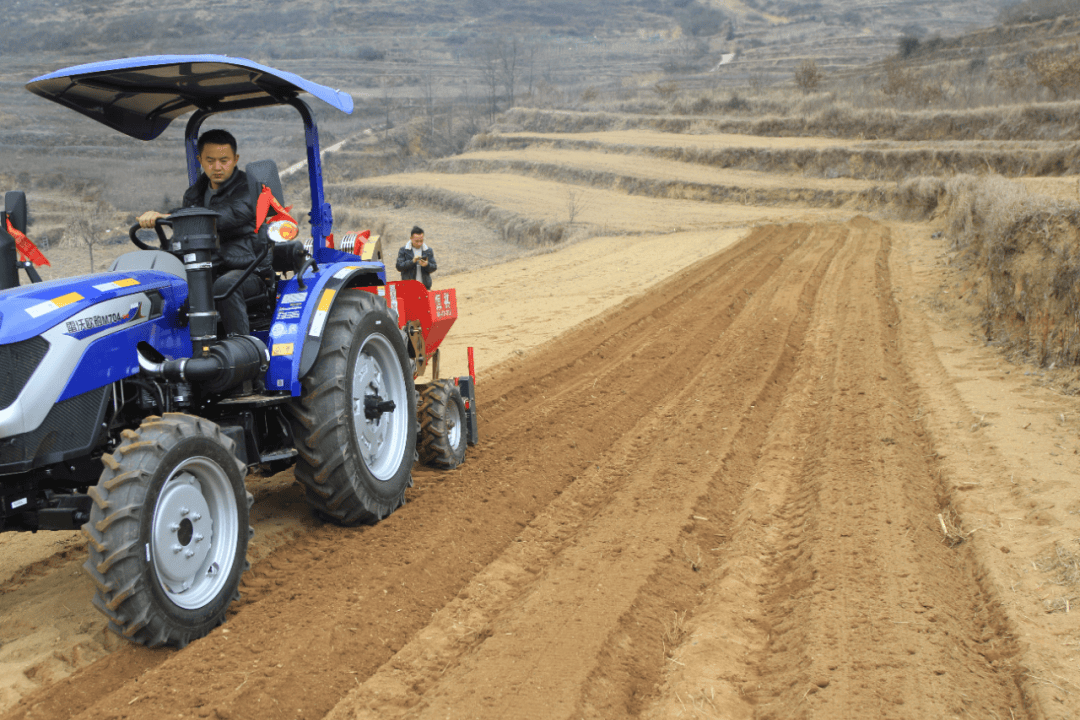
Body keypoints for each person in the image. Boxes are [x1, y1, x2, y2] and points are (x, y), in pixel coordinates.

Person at [138, 129, 269, 336]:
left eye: (224, 160)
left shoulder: (253, 190)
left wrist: (169, 216)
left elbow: (225, 215)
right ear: (200, 160)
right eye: (210, 160)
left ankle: (241, 345)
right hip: (204, 268)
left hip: (248, 269)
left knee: (225, 286)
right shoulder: (193, 194)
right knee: (160, 286)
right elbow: (187, 236)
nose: (217, 167)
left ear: (235, 159)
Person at [395, 225, 437, 290]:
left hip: (425, 287)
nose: (419, 243)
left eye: (421, 241)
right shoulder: (403, 250)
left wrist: (427, 265)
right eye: (417, 241)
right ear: (411, 238)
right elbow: (399, 267)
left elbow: (434, 267)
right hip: (408, 287)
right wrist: (412, 261)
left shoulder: (428, 250)